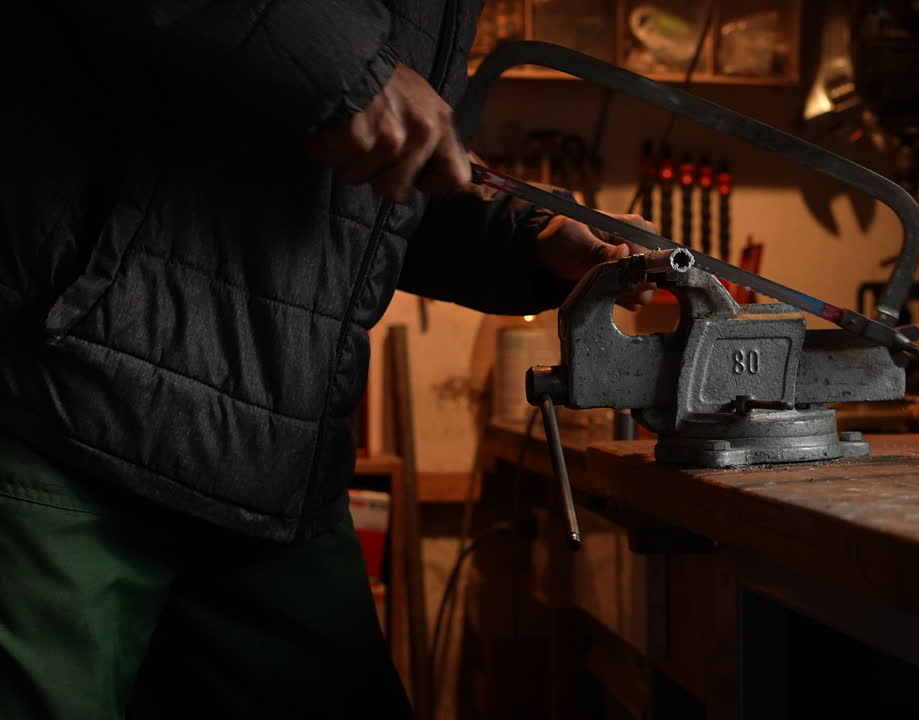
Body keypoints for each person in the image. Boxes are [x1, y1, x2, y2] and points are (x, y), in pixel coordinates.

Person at [0, 2, 653, 718]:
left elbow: (367, 200)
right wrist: (345, 67)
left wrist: (535, 237)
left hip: (272, 461)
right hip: (61, 404)